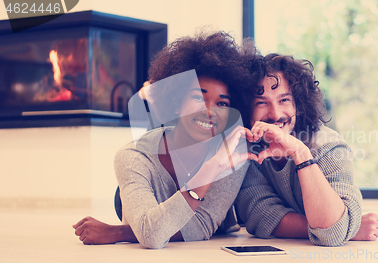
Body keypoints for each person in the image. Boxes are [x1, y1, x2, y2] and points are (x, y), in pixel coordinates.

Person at [73, 32, 257, 248]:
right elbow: (151, 235)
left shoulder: (231, 154)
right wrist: (144, 228)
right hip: (139, 199)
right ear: (176, 101)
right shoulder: (133, 157)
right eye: (198, 97)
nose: (209, 111)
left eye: (222, 103)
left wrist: (119, 232)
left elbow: (200, 226)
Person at [235, 53, 378, 247]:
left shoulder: (328, 145)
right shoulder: (246, 151)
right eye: (261, 102)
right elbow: (262, 216)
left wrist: (300, 153)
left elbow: (331, 235)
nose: (275, 114)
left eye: (284, 100)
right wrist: (349, 228)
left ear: (299, 102)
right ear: (246, 109)